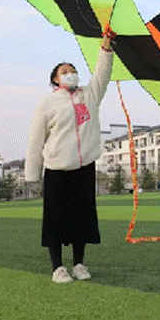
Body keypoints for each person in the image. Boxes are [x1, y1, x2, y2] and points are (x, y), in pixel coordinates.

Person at [25, 33, 114, 283]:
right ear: (55, 78)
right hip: (57, 169)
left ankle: (79, 265)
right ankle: (58, 268)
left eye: (73, 70)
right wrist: (32, 173)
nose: (70, 73)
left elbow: (102, 74)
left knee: (82, 219)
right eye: (64, 71)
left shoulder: (89, 95)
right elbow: (36, 139)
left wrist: (106, 48)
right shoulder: (47, 103)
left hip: (84, 168)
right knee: (55, 220)